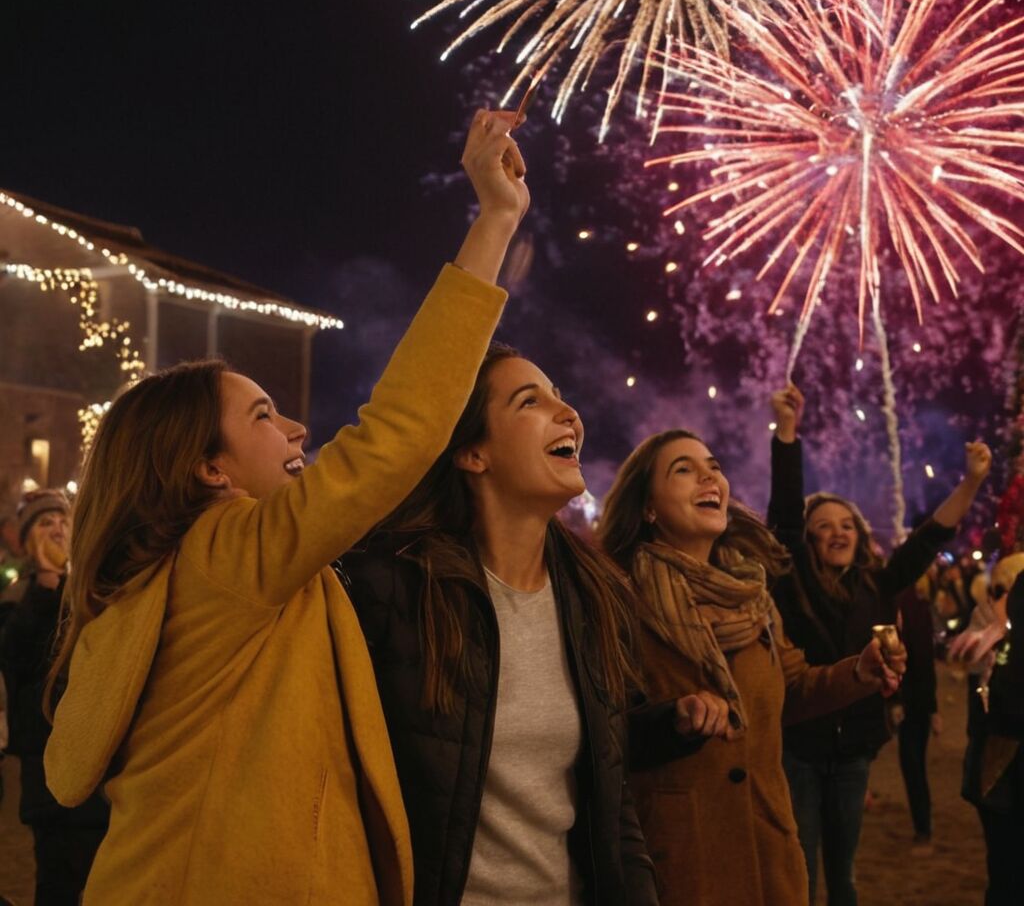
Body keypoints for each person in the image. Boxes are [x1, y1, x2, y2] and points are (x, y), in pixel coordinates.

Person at [42, 109, 527, 905]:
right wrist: (495, 223)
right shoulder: (226, 555)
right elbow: (397, 436)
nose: (299, 426)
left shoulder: (169, 581)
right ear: (209, 470)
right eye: (263, 416)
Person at [340, 345, 658, 906]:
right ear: (472, 454)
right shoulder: (394, 588)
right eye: (529, 400)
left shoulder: (596, 596)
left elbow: (612, 801)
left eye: (560, 395)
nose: (569, 413)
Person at [597, 428, 903, 906]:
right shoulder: (618, 601)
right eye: (684, 469)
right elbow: (603, 732)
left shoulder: (754, 598)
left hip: (768, 846)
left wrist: (857, 673)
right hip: (683, 855)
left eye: (713, 466)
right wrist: (675, 718)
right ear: (649, 508)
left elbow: (792, 689)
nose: (709, 477)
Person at [768, 382, 992, 906]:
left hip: (854, 752)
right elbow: (782, 515)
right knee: (802, 871)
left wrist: (973, 482)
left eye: (846, 524)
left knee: (844, 874)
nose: (838, 533)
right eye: (823, 527)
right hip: (799, 747)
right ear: (808, 539)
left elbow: (928, 539)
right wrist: (787, 431)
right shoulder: (791, 584)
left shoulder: (877, 584)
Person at [0, 490, 109, 904]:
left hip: (97, 759)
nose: (57, 530)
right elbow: (16, 659)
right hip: (46, 765)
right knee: (57, 880)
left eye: (62, 522)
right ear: (27, 540)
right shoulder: (16, 599)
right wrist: (44, 591)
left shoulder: (92, 590)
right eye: (45, 524)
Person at [951, 555, 1024, 906]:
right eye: (998, 593)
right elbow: (986, 716)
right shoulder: (988, 637)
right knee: (1006, 873)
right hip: (1001, 773)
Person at [895, 575, 941, 854]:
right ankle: (922, 826)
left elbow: (923, 661)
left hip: (914, 701)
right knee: (912, 763)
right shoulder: (912, 603)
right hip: (914, 699)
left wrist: (930, 706)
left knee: (913, 763)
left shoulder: (909, 605)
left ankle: (923, 828)